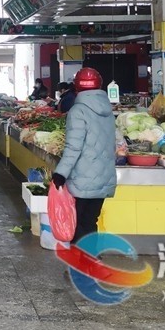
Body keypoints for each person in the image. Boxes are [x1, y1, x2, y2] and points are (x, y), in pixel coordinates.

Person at [51, 67, 116, 243]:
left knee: (77, 223)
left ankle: (81, 265)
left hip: (82, 179)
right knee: (90, 221)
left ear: (76, 87)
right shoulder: (108, 111)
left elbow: (74, 147)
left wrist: (60, 174)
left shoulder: (78, 111)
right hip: (105, 177)